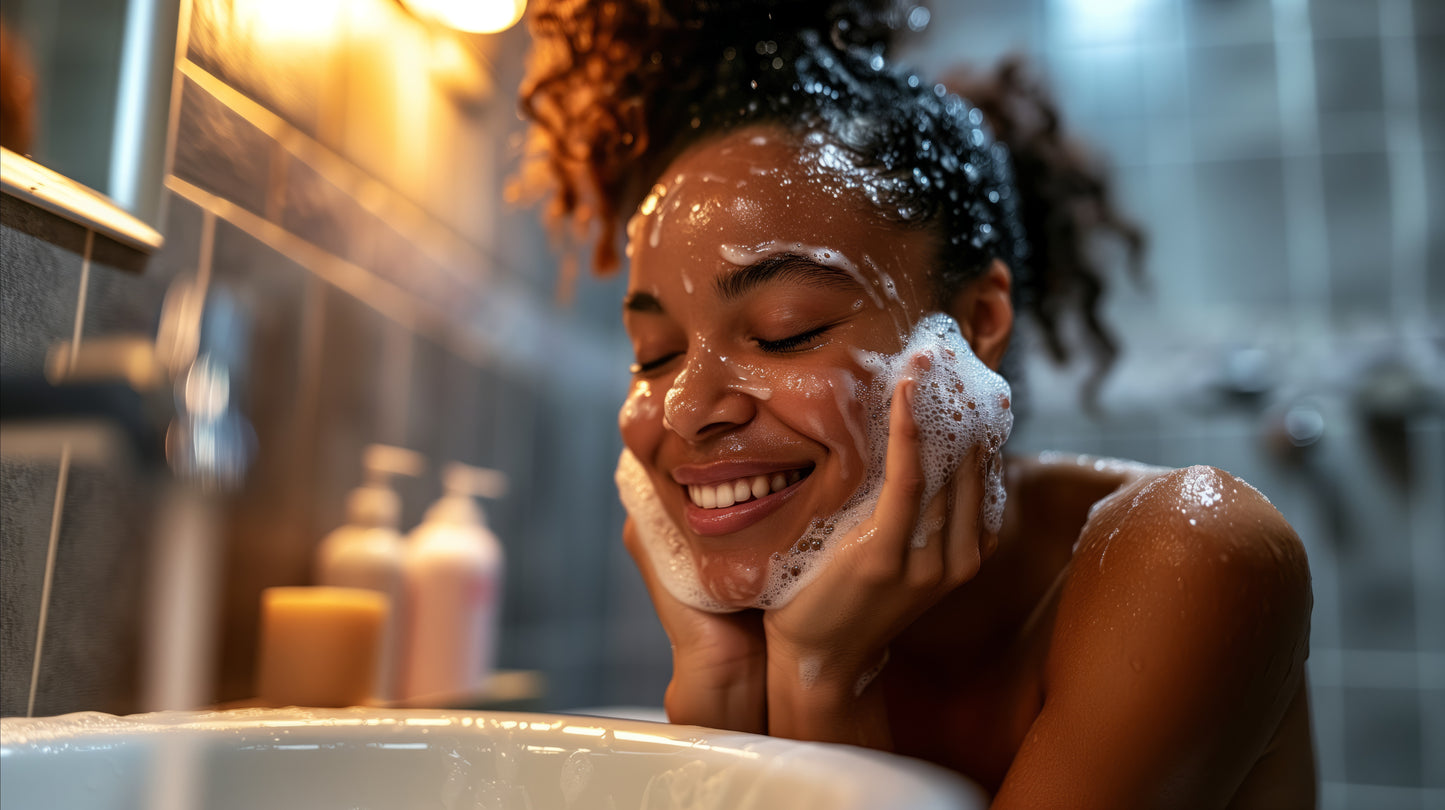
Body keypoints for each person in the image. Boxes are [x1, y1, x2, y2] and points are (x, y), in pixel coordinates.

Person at [518, 1, 1315, 806]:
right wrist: (718, 680)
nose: (687, 408)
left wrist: (826, 681)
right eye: (655, 354)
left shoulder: (1186, 556)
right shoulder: (779, 602)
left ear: (976, 325)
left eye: (784, 331)